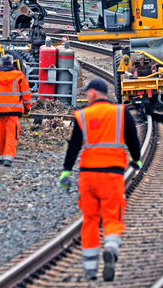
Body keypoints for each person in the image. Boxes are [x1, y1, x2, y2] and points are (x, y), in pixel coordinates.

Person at [59, 78, 142, 281]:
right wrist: (136, 161)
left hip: (87, 175)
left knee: (90, 220)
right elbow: (133, 140)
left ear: (95, 93)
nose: (86, 96)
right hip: (112, 175)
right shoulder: (121, 113)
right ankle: (111, 249)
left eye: (87, 93)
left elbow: (74, 145)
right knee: (113, 217)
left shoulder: (83, 116)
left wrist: (66, 171)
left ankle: (90, 269)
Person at [0, 54, 31, 167]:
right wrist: (27, 109)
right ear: (12, 64)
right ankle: (8, 158)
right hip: (14, 111)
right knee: (11, 134)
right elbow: (26, 96)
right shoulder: (19, 76)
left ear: (1, 64)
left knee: (0, 134)